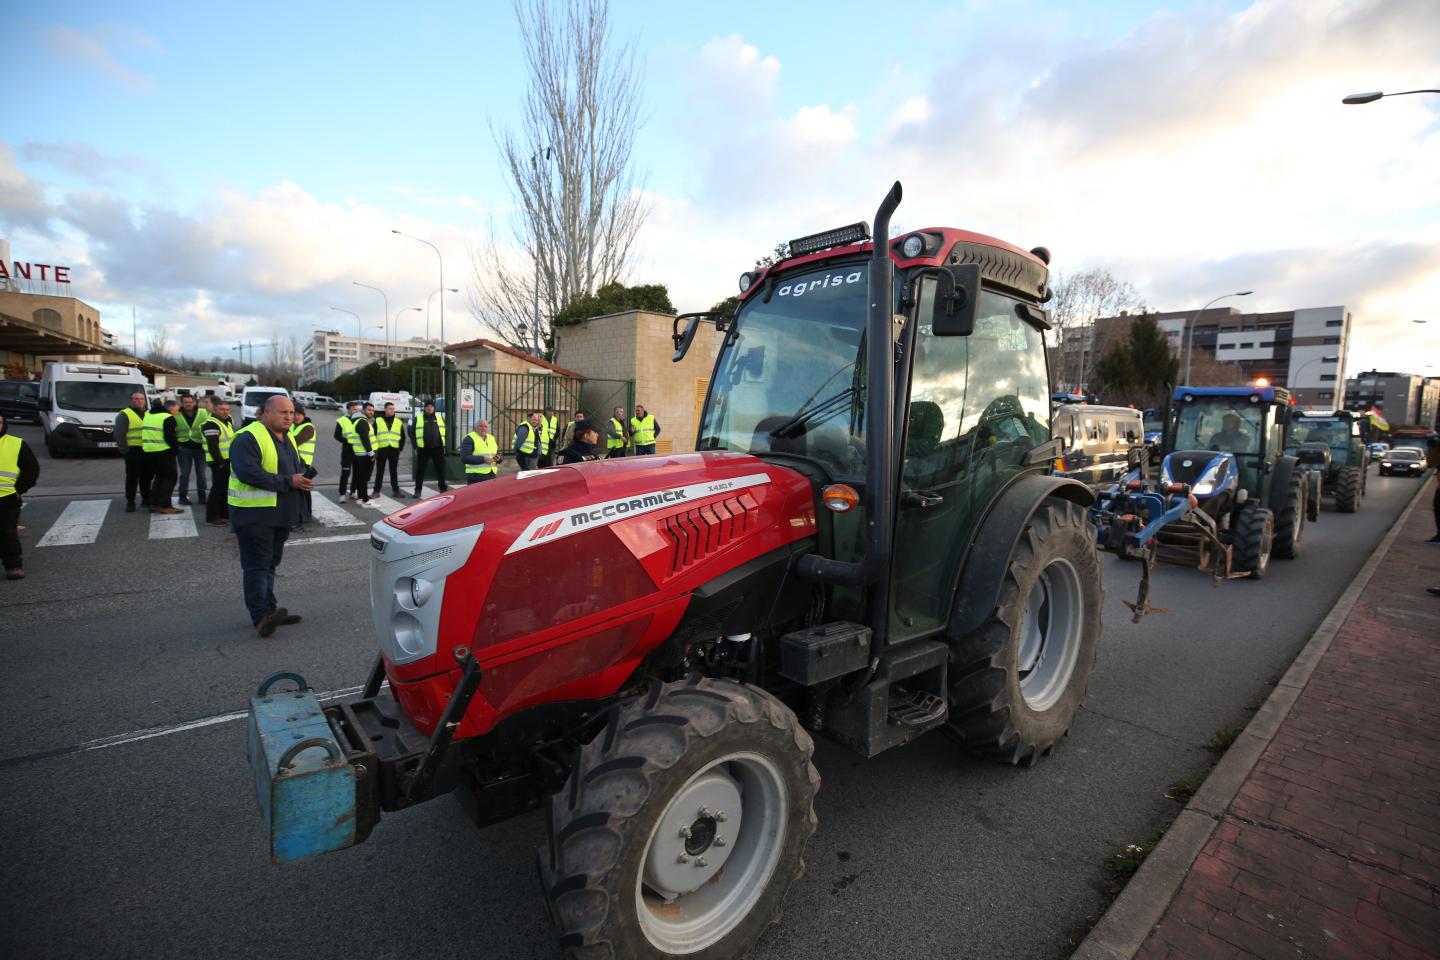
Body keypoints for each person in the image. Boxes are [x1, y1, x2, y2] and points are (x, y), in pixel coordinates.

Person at [229, 395, 312, 637]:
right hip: (254, 515)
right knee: (257, 566)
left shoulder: (288, 437)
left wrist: (302, 477)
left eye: (291, 412)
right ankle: (261, 617)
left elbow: (290, 468)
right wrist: (290, 481)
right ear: (265, 413)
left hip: (279, 514)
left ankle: (271, 611)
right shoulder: (248, 437)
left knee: (270, 564)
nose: (288, 416)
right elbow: (248, 473)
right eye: (282, 412)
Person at [0, 411, 40, 581]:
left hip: (8, 497)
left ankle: (13, 566)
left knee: (8, 533)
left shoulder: (16, 443)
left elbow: (31, 469)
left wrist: (19, 489)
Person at [200, 398, 236, 527]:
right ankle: (212, 517)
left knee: (224, 489)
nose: (225, 412)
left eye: (227, 409)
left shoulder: (227, 421)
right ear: (214, 410)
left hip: (227, 461)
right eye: (222, 409)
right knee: (217, 489)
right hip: (218, 462)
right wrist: (220, 462)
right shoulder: (211, 423)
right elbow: (213, 445)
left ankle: (223, 514)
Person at [143, 398, 182, 514]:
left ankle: (154, 503)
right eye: (176, 411)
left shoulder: (148, 414)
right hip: (164, 452)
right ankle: (165, 505)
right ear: (170, 409)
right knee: (170, 479)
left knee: (159, 478)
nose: (177, 413)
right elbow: (170, 437)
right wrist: (176, 449)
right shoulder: (167, 418)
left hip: (149, 451)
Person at [115, 390, 150, 513]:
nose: (139, 401)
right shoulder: (125, 414)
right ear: (131, 401)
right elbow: (119, 434)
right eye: (136, 399)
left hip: (147, 450)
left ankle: (146, 499)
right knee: (132, 478)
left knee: (146, 477)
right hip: (133, 451)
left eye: (141, 399)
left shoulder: (148, 413)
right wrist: (125, 451)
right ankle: (130, 501)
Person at [174, 394, 211, 506]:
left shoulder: (203, 413)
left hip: (200, 448)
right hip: (184, 448)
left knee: (201, 473)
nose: (188, 404)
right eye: (185, 402)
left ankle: (202, 496)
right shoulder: (176, 414)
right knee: (184, 474)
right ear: (181, 403)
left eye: (190, 402)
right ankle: (182, 496)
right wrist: (177, 445)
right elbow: (171, 430)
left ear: (194, 402)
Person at [411, 399, 448, 497]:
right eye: (427, 406)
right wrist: (415, 446)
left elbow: (446, 431)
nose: (429, 408)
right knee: (420, 470)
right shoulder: (419, 418)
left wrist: (444, 444)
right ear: (425, 408)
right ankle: (418, 490)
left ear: (434, 408)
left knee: (440, 469)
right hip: (423, 449)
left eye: (431, 406)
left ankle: (443, 488)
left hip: (438, 448)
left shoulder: (440, 417)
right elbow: (412, 433)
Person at [290, 405, 318, 525]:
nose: (295, 417)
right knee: (300, 489)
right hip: (295, 462)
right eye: (293, 414)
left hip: (304, 463)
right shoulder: (293, 426)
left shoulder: (308, 427)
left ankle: (306, 516)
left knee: (304, 490)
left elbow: (296, 441)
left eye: (298, 414)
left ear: (303, 414)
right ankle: (301, 515)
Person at [371, 401, 406, 498]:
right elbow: (372, 435)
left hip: (394, 449)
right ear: (385, 409)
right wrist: (375, 449)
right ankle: (376, 491)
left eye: (393, 409)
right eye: (390, 408)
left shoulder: (398, 422)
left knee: (393, 471)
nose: (392, 410)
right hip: (382, 449)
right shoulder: (378, 420)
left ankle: (396, 490)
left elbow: (403, 437)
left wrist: (400, 449)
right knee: (380, 471)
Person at [350, 402, 377, 504]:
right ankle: (365, 499)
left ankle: (361, 496)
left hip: (360, 454)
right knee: (364, 477)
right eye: (369, 410)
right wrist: (371, 453)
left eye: (372, 410)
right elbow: (364, 439)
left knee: (362, 477)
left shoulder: (359, 421)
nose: (371, 412)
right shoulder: (362, 422)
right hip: (365, 455)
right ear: (363, 410)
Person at [460, 419, 500, 483]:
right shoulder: (469, 438)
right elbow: (464, 458)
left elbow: (498, 453)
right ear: (475, 428)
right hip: (476, 476)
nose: (483, 428)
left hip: (492, 474)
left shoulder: (491, 438)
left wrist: (499, 458)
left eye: (485, 426)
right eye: (480, 426)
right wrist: (483, 459)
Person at [335, 401, 359, 501]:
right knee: (345, 473)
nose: (356, 411)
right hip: (347, 451)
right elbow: (337, 435)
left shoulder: (360, 420)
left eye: (357, 409)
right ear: (348, 410)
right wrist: (348, 442)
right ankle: (342, 494)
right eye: (354, 409)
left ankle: (353, 492)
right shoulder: (342, 420)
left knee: (357, 473)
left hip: (359, 450)